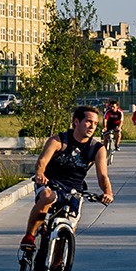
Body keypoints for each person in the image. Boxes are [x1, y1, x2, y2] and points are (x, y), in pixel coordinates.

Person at [23, 105, 115, 252]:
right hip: (51, 184)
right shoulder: (59, 141)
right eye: (88, 122)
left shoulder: (97, 149)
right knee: (47, 196)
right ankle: (30, 236)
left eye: (95, 123)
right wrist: (40, 174)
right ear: (76, 122)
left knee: (68, 231)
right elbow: (42, 161)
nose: (92, 127)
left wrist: (108, 192)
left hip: (74, 190)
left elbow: (103, 175)